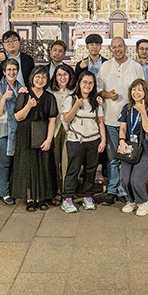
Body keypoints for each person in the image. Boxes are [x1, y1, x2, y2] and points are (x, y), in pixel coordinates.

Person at [96, 37, 141, 205]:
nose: (117, 49)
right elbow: (98, 89)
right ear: (110, 49)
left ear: (125, 47)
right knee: (112, 157)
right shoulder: (105, 66)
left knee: (127, 156)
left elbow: (142, 89)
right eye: (114, 47)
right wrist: (108, 95)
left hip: (130, 121)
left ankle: (124, 189)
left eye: (120, 46)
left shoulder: (135, 67)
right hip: (110, 118)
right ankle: (112, 189)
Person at [12, 66, 59, 211]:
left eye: (44, 77)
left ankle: (41, 197)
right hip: (25, 134)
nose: (40, 80)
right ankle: (30, 198)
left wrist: (49, 139)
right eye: (38, 76)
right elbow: (18, 116)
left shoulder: (50, 97)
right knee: (27, 166)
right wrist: (28, 105)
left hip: (42, 134)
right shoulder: (24, 94)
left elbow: (52, 119)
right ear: (32, 78)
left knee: (43, 166)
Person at [61, 71, 106, 213]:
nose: (87, 85)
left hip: (93, 140)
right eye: (85, 82)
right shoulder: (71, 99)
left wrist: (103, 140)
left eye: (90, 83)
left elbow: (100, 122)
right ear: (79, 83)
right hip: (76, 140)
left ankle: (88, 196)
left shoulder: (96, 101)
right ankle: (67, 198)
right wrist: (76, 105)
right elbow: (66, 119)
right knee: (73, 170)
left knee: (91, 170)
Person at [117, 79, 148, 216]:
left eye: (140, 90)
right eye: (134, 89)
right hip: (129, 147)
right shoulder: (127, 108)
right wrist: (121, 141)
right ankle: (132, 200)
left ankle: (144, 202)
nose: (136, 92)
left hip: (145, 148)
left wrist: (143, 112)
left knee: (136, 180)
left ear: (145, 92)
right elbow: (123, 127)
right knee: (126, 179)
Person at [0, 59, 24, 205]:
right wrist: (4, 97)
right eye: (9, 69)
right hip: (1, 131)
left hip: (17, 130)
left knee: (16, 162)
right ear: (4, 72)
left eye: (14, 69)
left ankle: (15, 189)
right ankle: (4, 193)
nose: (12, 72)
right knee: (5, 162)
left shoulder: (21, 87)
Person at [48, 63, 76, 202]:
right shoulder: (50, 92)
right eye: (59, 75)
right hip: (54, 130)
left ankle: (66, 192)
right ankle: (56, 190)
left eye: (65, 74)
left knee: (67, 162)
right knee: (54, 162)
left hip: (69, 130)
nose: (62, 77)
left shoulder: (75, 91)